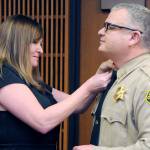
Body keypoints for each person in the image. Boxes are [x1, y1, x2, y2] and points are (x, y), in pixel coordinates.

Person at [0, 15, 112, 150]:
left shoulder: (34, 84)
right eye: (35, 42)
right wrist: (88, 87)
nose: (41, 50)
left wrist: (99, 74)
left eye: (41, 44)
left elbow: (79, 105)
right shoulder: (4, 76)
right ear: (17, 42)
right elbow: (42, 122)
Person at [73, 3, 150, 150]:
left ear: (134, 37)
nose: (100, 32)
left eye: (109, 27)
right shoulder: (117, 75)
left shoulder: (145, 79)